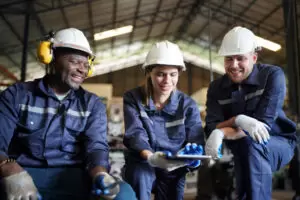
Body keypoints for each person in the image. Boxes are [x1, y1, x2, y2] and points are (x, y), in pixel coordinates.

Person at [0, 28, 136, 200]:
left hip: (72, 177)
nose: (82, 70)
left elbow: (96, 147)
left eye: (86, 65)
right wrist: (8, 169)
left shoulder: (92, 104)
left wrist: (100, 174)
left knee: (124, 194)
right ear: (51, 58)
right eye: (75, 62)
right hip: (23, 173)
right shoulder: (16, 95)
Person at [204, 26, 297, 200]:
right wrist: (234, 122)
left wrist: (223, 130)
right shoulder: (216, 88)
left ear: (254, 58)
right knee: (243, 191)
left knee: (254, 145)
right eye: (229, 59)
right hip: (241, 148)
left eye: (241, 59)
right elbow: (210, 126)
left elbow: (261, 127)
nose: (234, 65)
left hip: (277, 142)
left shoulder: (272, 76)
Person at [122, 40, 205, 200]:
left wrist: (193, 158)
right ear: (149, 73)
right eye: (160, 74)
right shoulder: (133, 98)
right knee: (142, 176)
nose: (167, 80)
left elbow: (195, 138)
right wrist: (151, 157)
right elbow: (135, 133)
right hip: (143, 162)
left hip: (174, 166)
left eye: (173, 74)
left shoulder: (187, 105)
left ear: (179, 73)